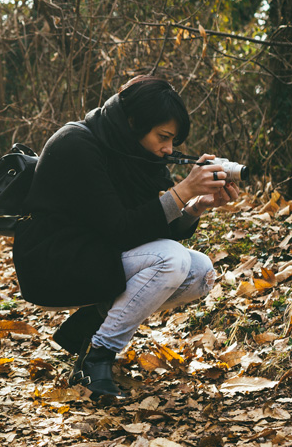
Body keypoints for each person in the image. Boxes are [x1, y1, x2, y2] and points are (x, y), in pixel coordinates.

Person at [12, 75, 240, 400]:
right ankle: (98, 356)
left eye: (173, 141)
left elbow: (151, 228)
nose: (168, 149)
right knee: (172, 260)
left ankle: (87, 331)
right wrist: (181, 190)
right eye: (163, 137)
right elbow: (121, 229)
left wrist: (196, 205)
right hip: (54, 262)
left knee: (200, 272)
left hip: (98, 256)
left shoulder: (135, 155)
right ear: (133, 122)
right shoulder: (77, 143)